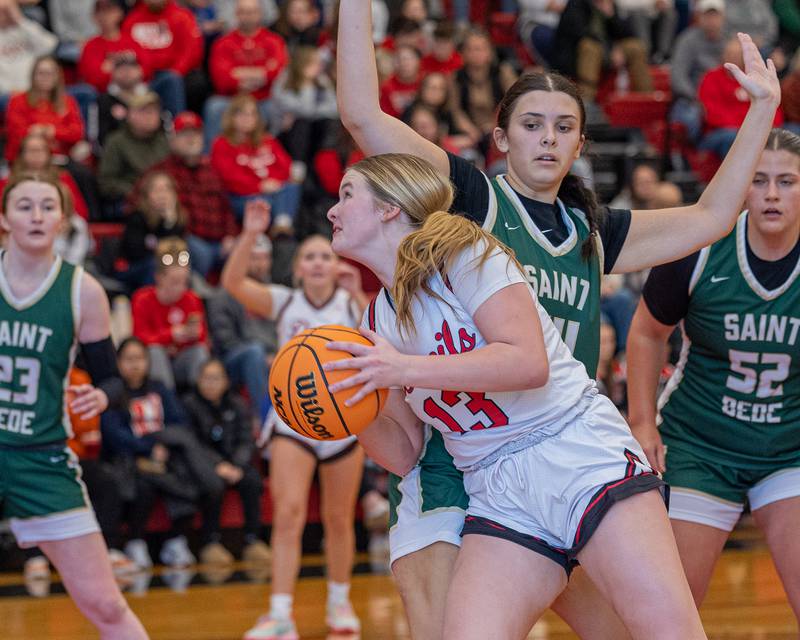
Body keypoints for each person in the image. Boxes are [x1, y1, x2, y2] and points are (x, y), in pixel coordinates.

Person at [337, 1, 782, 636]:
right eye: (532, 123)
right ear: (500, 137)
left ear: (580, 142)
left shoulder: (592, 234)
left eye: (563, 126)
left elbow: (711, 218)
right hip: (465, 460)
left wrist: (761, 111)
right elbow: (362, 116)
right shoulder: (473, 204)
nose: (548, 137)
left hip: (569, 442)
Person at [323, 152, 702, 640]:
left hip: (574, 449)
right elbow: (405, 451)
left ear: (389, 207)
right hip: (495, 485)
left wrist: (403, 367)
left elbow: (527, 363)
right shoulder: (375, 323)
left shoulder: (465, 252)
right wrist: (346, 405)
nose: (333, 210)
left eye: (346, 195)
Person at [626, 128, 800, 623]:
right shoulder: (700, 247)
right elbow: (644, 333)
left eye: (786, 181)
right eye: (758, 179)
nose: (770, 193)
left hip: (790, 448)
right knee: (671, 614)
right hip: (701, 445)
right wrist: (642, 422)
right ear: (740, 185)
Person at [0, 172, 148, 638]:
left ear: (63, 220)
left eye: (48, 205)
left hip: (42, 458)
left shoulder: (83, 291)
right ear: (5, 218)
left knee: (106, 604)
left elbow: (111, 377)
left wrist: (103, 395)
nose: (37, 215)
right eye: (24, 205)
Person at [221, 202, 368, 639]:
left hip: (343, 425)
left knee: (340, 519)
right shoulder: (283, 302)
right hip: (293, 424)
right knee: (287, 515)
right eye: (310, 256)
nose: (318, 262)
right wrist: (250, 235)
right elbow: (230, 283)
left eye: (326, 255)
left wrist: (359, 291)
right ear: (298, 269)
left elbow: (385, 338)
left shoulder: (351, 304)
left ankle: (340, 606)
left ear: (336, 264)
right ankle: (280, 614)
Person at [101, 336, 200, 570]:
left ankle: (176, 539)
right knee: (144, 484)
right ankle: (136, 542)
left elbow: (178, 421)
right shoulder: (112, 392)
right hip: (128, 458)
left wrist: (162, 445)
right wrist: (147, 447)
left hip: (162, 454)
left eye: (140, 358)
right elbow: (113, 433)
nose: (135, 364)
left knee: (187, 474)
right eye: (129, 359)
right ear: (119, 362)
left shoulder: (159, 389)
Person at [181, 358, 271, 565]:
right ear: (198, 381)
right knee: (212, 484)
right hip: (205, 465)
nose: (211, 384)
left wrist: (237, 466)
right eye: (206, 378)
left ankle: (253, 540)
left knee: (252, 480)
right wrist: (217, 465)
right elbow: (192, 442)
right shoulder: (190, 405)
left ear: (226, 382)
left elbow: (247, 440)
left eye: (216, 378)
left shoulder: (238, 404)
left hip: (235, 463)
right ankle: (210, 542)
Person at [132, 111, 240, 278]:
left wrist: (231, 236)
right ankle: (196, 291)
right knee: (196, 252)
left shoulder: (211, 170)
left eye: (196, 133)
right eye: (184, 134)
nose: (191, 139)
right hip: (183, 241)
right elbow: (136, 205)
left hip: (220, 243)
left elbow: (227, 209)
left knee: (247, 252)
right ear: (172, 139)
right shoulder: (161, 172)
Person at [206, 233, 277, 417]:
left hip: (273, 355)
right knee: (254, 354)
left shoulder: (275, 293)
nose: (260, 264)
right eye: (254, 258)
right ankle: (265, 419)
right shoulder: (222, 296)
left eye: (265, 258)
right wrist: (265, 356)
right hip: (233, 359)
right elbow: (225, 342)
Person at [206, 0, 288, 149]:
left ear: (260, 14)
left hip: (265, 99)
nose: (248, 16)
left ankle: (272, 157)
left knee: (280, 107)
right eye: (243, 12)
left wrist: (240, 74)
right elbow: (221, 79)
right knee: (213, 106)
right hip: (232, 99)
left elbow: (278, 74)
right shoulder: (223, 43)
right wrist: (261, 74)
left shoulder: (273, 41)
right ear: (236, 14)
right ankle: (209, 157)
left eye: (252, 12)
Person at [131, 237, 211, 391]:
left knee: (199, 351)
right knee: (155, 351)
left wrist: (194, 334)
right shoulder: (142, 299)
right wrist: (171, 335)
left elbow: (203, 338)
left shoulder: (192, 299)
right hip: (154, 365)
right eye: (174, 282)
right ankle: (168, 403)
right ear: (159, 277)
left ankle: (200, 401)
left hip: (181, 361)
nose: (180, 288)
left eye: (184, 282)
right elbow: (139, 339)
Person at [210, 93, 299, 228]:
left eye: (252, 114)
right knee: (266, 202)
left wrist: (274, 183)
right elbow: (229, 178)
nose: (248, 119)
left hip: (274, 192)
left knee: (291, 188)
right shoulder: (222, 144)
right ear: (232, 117)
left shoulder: (268, 140)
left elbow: (286, 167)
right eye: (242, 114)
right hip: (243, 197)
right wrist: (259, 186)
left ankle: (282, 228)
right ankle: (279, 229)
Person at [97, 90, 170, 218]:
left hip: (163, 199)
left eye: (154, 110)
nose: (151, 115)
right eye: (145, 111)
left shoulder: (164, 141)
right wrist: (139, 191)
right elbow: (106, 181)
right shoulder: (116, 141)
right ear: (130, 115)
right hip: (130, 200)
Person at [4, 55, 85, 163]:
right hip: (24, 160)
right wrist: (50, 135)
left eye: (50, 73)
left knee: (83, 172)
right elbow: (16, 132)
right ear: (33, 76)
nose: (45, 77)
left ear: (57, 76)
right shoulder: (17, 101)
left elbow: (77, 132)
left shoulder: (68, 101)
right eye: (41, 73)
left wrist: (52, 131)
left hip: (59, 159)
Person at [115, 171, 187, 293]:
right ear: (147, 195)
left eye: (167, 190)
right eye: (157, 190)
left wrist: (169, 223)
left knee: (183, 262)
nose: (162, 195)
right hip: (134, 268)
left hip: (162, 266)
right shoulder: (137, 217)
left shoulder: (176, 219)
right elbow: (136, 253)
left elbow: (177, 250)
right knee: (156, 265)